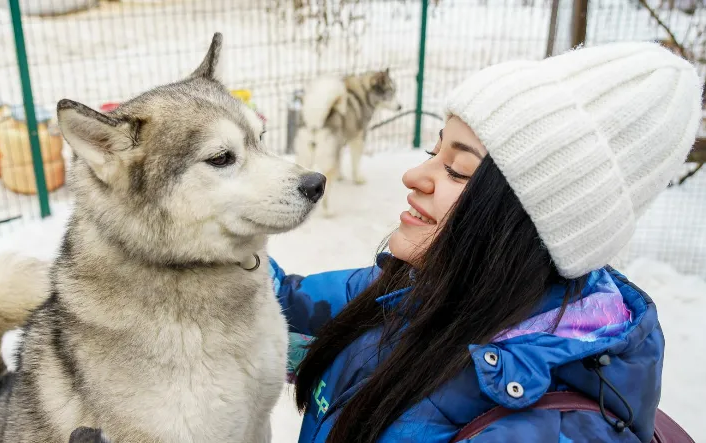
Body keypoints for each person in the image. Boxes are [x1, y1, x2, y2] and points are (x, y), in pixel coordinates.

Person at [270, 42, 703, 443]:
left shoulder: (545, 432)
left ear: (528, 224)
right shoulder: (408, 290)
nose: (413, 177)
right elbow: (275, 302)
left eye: (456, 170)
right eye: (432, 154)